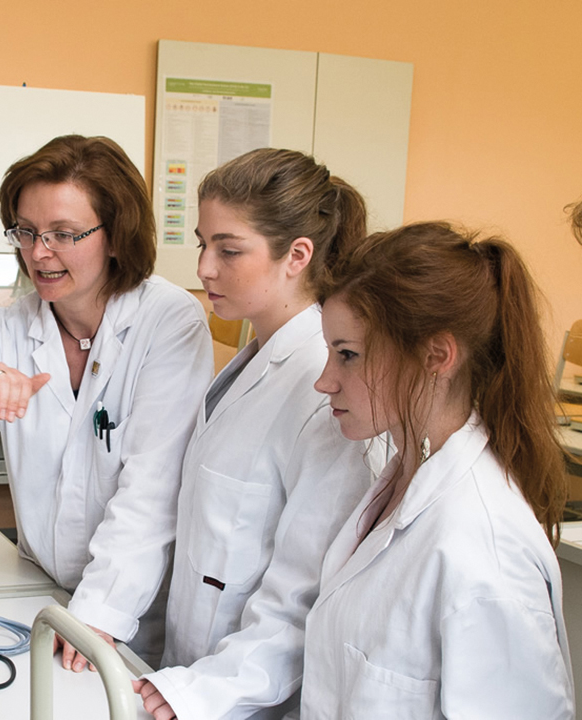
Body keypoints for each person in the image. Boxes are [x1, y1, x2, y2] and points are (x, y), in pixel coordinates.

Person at [0, 134, 214, 668]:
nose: (38, 253)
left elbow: (152, 490)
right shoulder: (10, 326)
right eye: (27, 232)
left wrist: (98, 613)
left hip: (130, 612)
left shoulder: (168, 321)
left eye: (63, 234)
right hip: (40, 591)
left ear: (115, 234)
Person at [132, 149, 375, 719]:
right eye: (202, 244)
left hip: (246, 697)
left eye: (228, 249)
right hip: (191, 676)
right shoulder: (251, 361)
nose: (204, 268)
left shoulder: (326, 386)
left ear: (297, 255)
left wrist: (206, 693)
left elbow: (305, 598)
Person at [303, 221, 573, 717]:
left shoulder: (484, 549)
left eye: (348, 356)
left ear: (437, 356)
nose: (325, 381)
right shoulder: (399, 480)